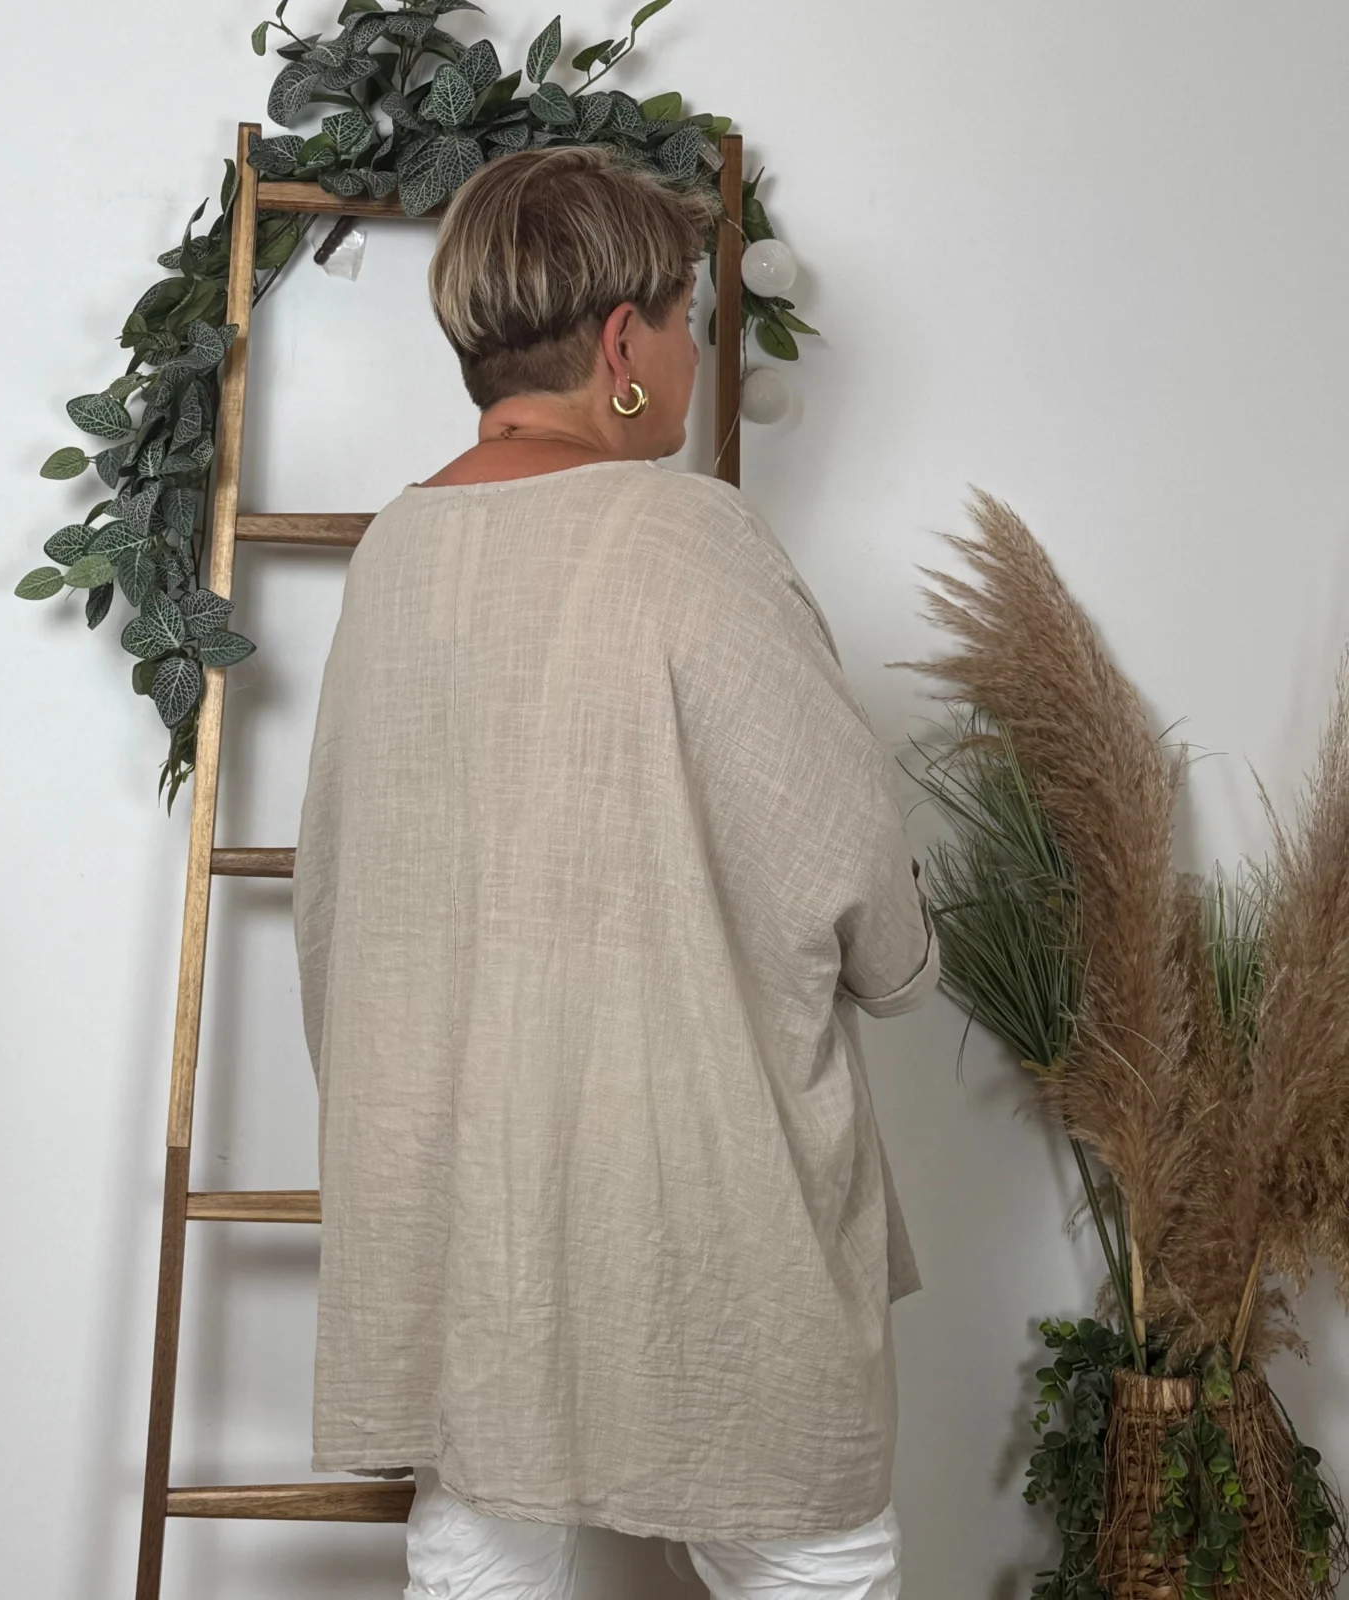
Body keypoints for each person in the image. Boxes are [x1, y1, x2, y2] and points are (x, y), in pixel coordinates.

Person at [292, 145, 938, 1600]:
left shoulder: (393, 554)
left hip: (461, 1181)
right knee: (814, 1555)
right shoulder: (688, 532)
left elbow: (336, 898)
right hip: (697, 1178)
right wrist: (903, 961)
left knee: (477, 1542)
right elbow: (841, 858)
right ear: (622, 343)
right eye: (690, 320)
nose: (695, 359)